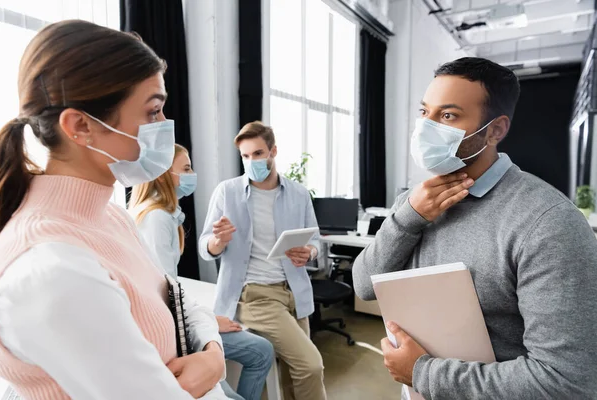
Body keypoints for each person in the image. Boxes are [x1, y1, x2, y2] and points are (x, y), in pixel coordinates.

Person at [0, 20, 229, 400]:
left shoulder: (109, 216)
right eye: (153, 112)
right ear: (80, 126)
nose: (166, 126)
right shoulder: (51, 268)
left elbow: (174, 300)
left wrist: (213, 353)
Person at [353, 57, 597, 399]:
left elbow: (566, 383)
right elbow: (364, 285)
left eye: (448, 115)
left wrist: (422, 372)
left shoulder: (548, 223)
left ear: (495, 130)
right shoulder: (414, 201)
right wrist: (409, 216)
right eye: (425, 112)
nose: (426, 127)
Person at [129, 144, 275, 400]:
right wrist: (210, 323)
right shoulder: (157, 219)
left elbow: (167, 286)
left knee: (262, 349)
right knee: (259, 353)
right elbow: (164, 297)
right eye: (185, 169)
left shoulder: (164, 215)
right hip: (172, 334)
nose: (191, 174)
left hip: (178, 322)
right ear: (163, 174)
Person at [199, 121, 327, 400]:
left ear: (273, 152)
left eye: (257, 154)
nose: (251, 161)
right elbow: (204, 245)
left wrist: (310, 252)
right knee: (311, 364)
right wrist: (217, 242)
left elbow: (316, 240)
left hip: (295, 293)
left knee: (295, 371)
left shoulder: (298, 193)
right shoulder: (227, 192)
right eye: (245, 156)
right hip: (255, 296)